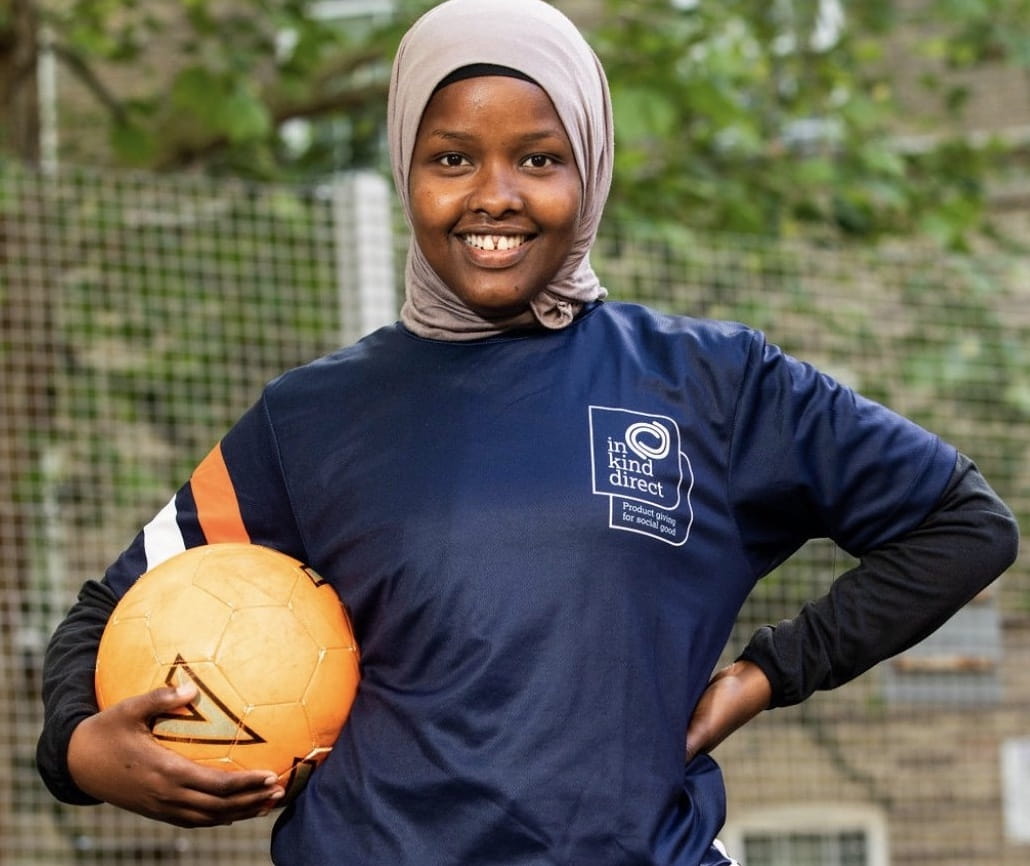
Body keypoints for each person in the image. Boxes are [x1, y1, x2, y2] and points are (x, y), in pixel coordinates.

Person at [37, 0, 1019, 864]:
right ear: (405, 168)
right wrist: (84, 750)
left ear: (588, 167)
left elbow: (961, 524)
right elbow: (106, 611)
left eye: (538, 158)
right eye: (452, 157)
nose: (494, 193)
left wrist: (767, 673)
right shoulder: (310, 418)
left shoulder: (713, 382)